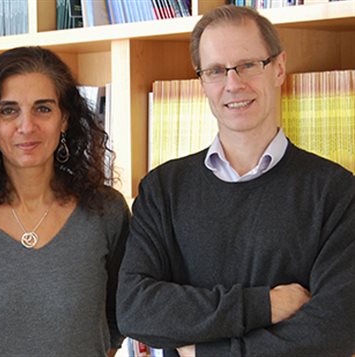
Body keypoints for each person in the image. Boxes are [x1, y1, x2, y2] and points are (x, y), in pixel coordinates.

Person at [117, 5, 355, 357]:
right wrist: (263, 306)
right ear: (202, 81)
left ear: (279, 68)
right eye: (215, 71)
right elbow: (136, 309)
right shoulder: (162, 190)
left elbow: (336, 329)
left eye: (247, 65)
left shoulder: (336, 192)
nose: (233, 84)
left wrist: (204, 352)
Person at [0, 46, 130, 356]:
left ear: (65, 118)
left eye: (43, 108)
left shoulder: (106, 211)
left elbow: (115, 319)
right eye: (9, 110)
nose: (26, 126)